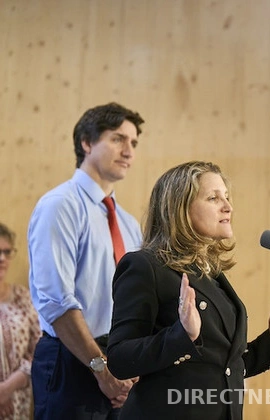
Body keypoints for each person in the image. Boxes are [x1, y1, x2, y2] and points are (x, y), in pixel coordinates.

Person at [107, 160, 270, 420]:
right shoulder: (146, 266)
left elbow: (222, 368)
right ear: (180, 208)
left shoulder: (211, 274)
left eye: (226, 197)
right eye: (213, 198)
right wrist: (181, 335)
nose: (228, 206)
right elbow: (120, 359)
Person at [28, 102, 145, 419]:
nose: (129, 151)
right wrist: (100, 368)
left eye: (133, 143)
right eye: (118, 138)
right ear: (87, 142)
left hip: (119, 366)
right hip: (72, 359)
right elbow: (55, 302)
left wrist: (131, 367)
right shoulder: (59, 205)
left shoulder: (128, 224)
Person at [0, 222, 41, 419]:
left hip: (18, 404)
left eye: (7, 252)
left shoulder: (23, 298)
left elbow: (39, 350)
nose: (2, 259)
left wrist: (7, 389)